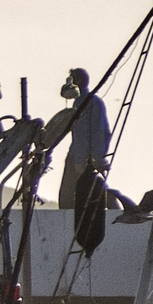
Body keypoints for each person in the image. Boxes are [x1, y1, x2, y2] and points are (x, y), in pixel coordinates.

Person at [58, 68, 112, 212]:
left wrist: (80, 159)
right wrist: (99, 157)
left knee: (67, 196)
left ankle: (68, 226)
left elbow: (82, 134)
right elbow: (104, 133)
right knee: (98, 190)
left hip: (79, 157)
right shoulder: (96, 101)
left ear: (78, 81)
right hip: (93, 156)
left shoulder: (82, 102)